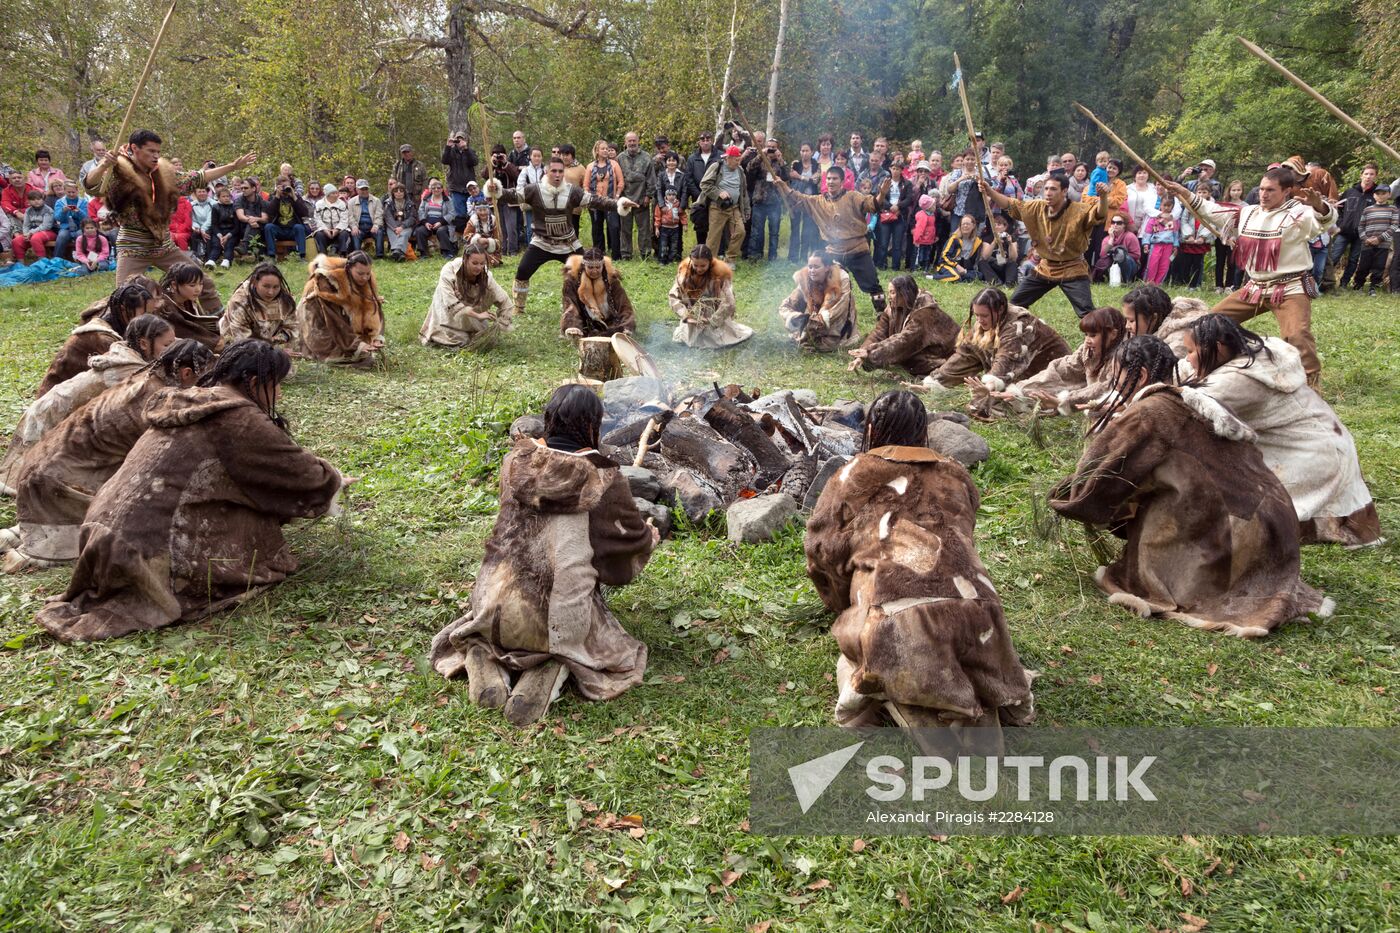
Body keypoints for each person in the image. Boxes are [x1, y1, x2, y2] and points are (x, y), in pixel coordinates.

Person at [34, 340, 346, 643]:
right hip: (142, 558)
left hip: (98, 540)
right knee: (255, 516)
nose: (278, 393)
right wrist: (335, 478)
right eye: (276, 384)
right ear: (253, 382)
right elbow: (305, 477)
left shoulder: (187, 401)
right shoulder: (238, 418)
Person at [1050, 335, 1330, 638]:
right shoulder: (1197, 399)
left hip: (1238, 532)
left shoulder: (1147, 413)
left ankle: (1198, 578)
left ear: (1140, 376)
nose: (1112, 385)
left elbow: (1099, 475)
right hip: (1280, 525)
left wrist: (1066, 497)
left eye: (1115, 377)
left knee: (1151, 533)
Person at [804, 389, 1035, 731]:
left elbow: (822, 554)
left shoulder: (850, 475)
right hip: (983, 616)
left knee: (869, 649)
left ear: (871, 431)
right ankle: (977, 688)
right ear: (923, 433)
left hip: (894, 621)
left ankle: (897, 694)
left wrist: (842, 604)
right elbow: (964, 536)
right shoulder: (956, 473)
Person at [429, 384, 657, 725]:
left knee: (504, 611)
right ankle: (554, 663)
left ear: (549, 420)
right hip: (557, 620)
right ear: (593, 426)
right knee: (594, 638)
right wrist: (648, 539)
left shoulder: (513, 462)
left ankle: (482, 652)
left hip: (490, 606)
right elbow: (621, 556)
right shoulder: (605, 478)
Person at [0, 339, 214, 573]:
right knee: (112, 529)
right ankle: (29, 554)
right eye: (204, 378)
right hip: (60, 481)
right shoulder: (158, 400)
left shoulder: (144, 379)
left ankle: (21, 537)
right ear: (186, 373)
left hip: (42, 468)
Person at [1183, 315, 1380, 547]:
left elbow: (1182, 407)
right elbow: (1185, 372)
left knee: (1261, 519)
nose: (1187, 359)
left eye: (1191, 352)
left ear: (1217, 348)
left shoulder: (1239, 381)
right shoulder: (1253, 354)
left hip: (1315, 456)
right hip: (1323, 443)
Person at [1161, 168, 1335, 387]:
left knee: (1297, 335)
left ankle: (1310, 385)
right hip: (1255, 287)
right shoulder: (1248, 213)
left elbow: (1324, 221)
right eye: (1262, 189)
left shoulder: (1299, 213)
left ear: (1287, 191)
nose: (1264, 194)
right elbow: (1212, 211)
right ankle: (1218, 366)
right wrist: (1185, 193)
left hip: (1289, 288)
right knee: (1210, 324)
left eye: (1271, 190)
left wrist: (1318, 205)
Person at [0, 315, 175, 495]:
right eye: (167, 346)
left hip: (56, 407)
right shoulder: (130, 371)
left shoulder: (125, 354)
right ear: (144, 344)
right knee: (39, 473)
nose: (172, 350)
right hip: (50, 414)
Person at [484, 156, 638, 317]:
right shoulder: (534, 190)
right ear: (546, 171)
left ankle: (597, 305)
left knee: (589, 272)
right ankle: (519, 308)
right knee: (522, 271)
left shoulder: (573, 192)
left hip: (568, 243)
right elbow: (512, 195)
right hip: (541, 243)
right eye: (554, 171)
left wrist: (619, 204)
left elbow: (596, 201)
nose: (557, 175)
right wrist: (496, 189)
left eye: (560, 171)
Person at [978, 171, 1105, 319]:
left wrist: (1103, 197)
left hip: (1073, 268)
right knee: (1014, 305)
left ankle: (1101, 339)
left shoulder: (1079, 210)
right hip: (1046, 268)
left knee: (1087, 313)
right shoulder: (1036, 207)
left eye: (1053, 189)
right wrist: (989, 191)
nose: (1048, 193)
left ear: (1064, 191)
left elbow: (1099, 214)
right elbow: (1010, 204)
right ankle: (1011, 333)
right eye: (1046, 189)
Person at [769, 159, 889, 314]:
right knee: (823, 282)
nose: (831, 182)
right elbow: (797, 197)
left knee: (873, 285)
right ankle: (819, 314)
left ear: (842, 181)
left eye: (835, 179)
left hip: (857, 249)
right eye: (829, 179)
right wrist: (783, 186)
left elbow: (873, 205)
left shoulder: (853, 196)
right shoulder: (818, 201)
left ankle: (883, 316)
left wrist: (882, 194)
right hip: (834, 251)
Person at [923, 287, 1070, 404]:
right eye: (977, 315)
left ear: (999, 310)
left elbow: (1006, 359)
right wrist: (935, 382)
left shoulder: (1019, 325)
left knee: (997, 404)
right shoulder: (984, 323)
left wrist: (989, 387)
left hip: (1051, 371)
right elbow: (966, 355)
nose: (979, 320)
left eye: (984, 316)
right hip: (1020, 370)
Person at [989, 306, 1125, 417]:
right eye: (1086, 335)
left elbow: (1102, 388)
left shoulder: (1121, 359)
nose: (1087, 340)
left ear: (1113, 334)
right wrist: (1021, 390)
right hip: (1086, 390)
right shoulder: (1087, 350)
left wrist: (1065, 401)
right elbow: (1060, 369)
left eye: (1093, 335)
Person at [34, 281, 156, 398]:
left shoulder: (117, 322)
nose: (148, 319)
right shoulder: (100, 337)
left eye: (151, 314)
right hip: (59, 400)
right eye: (144, 314)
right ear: (124, 309)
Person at [847, 275, 959, 379]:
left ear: (905, 294)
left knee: (910, 360)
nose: (889, 297)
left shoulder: (924, 312)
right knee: (899, 357)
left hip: (942, 351)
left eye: (893, 293)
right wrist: (862, 354)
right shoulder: (894, 306)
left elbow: (905, 340)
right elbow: (879, 332)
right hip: (914, 345)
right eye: (889, 293)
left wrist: (871, 353)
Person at [296, 252, 386, 366]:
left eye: (368, 273)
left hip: (340, 325)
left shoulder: (366, 279)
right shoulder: (327, 281)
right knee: (350, 356)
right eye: (360, 273)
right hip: (316, 318)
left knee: (367, 356)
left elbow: (374, 308)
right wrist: (357, 345)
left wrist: (376, 337)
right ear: (348, 269)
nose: (365, 277)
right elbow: (334, 320)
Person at [420, 243, 513, 350]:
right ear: (465, 259)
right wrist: (478, 316)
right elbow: (450, 303)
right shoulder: (449, 271)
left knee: (477, 339)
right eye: (474, 263)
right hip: (448, 314)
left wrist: (501, 323)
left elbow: (504, 300)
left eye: (482, 263)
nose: (479, 267)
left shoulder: (485, 275)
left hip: (471, 316)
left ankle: (471, 329)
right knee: (459, 340)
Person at [668, 244, 753, 348]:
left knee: (717, 339)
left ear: (710, 262)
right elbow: (673, 297)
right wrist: (686, 315)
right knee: (690, 338)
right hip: (694, 314)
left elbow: (729, 302)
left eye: (703, 266)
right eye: (696, 265)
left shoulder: (720, 275)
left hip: (714, 314)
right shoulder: (685, 274)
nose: (699, 269)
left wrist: (712, 321)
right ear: (691, 261)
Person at [777, 251, 858, 351]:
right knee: (788, 309)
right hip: (815, 320)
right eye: (810, 267)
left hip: (839, 319)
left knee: (827, 343)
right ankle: (810, 331)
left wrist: (818, 320)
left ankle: (821, 335)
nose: (812, 270)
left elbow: (841, 306)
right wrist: (795, 317)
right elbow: (787, 305)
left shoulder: (841, 278)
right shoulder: (805, 278)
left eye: (816, 267)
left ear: (827, 267)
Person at [560, 248, 635, 339]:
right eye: (590, 267)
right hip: (585, 322)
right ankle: (575, 328)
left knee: (619, 327)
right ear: (584, 266)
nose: (595, 271)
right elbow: (570, 304)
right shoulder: (572, 281)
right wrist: (572, 325)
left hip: (609, 320)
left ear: (603, 266)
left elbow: (624, 305)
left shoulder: (612, 280)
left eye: (598, 267)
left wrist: (627, 326)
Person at [221, 262, 300, 347]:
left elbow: (293, 328)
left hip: (271, 343)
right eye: (266, 286)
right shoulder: (240, 302)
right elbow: (241, 339)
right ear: (255, 283)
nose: (271, 292)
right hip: (237, 344)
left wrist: (279, 340)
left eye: (276, 287)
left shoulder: (285, 300)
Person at [1120, 283, 1210, 357]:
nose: (1127, 326)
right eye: (1126, 320)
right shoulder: (1139, 333)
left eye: (1131, 321)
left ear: (1153, 318)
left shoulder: (1178, 342)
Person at [1332, 162, 1379, 289]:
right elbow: (1338, 209)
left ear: (1375, 176)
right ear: (1361, 175)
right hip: (1344, 231)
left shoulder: (1376, 195)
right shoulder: (1349, 192)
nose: (1368, 177)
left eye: (1371, 174)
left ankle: (1343, 284)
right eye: (1366, 174)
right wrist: (1340, 224)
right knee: (1334, 257)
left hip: (1362, 234)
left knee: (1353, 260)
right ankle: (1326, 282)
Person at [155, 262, 223, 349]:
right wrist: (213, 342)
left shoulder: (189, 301)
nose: (198, 289)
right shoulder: (165, 307)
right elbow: (185, 333)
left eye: (201, 284)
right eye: (192, 285)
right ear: (174, 285)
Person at [699, 145, 749, 259]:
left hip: (734, 207)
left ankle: (730, 258)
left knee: (740, 232)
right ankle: (709, 262)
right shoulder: (717, 167)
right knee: (714, 237)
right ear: (729, 158)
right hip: (718, 207)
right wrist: (718, 193)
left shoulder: (740, 170)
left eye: (739, 159)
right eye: (736, 160)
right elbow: (704, 184)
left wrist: (746, 209)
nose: (738, 162)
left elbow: (744, 191)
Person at [742, 132, 784, 262]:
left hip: (775, 202)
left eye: (774, 147)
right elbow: (749, 168)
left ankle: (772, 257)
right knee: (756, 231)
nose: (771, 149)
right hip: (759, 200)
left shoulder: (779, 161)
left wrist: (780, 160)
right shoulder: (760, 159)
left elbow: (787, 176)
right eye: (769, 146)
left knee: (774, 232)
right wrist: (762, 154)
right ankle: (755, 256)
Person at [616, 132, 655, 260]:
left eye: (634, 140)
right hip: (625, 200)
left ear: (638, 141)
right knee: (625, 229)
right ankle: (626, 254)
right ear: (625, 142)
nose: (632, 143)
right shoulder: (620, 158)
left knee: (644, 229)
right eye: (629, 141)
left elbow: (651, 178)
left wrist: (648, 196)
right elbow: (617, 179)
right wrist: (620, 198)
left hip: (641, 198)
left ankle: (646, 254)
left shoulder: (646, 157)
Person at [1351, 184, 1396, 295]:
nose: (1380, 196)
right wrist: (1365, 239)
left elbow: (1394, 226)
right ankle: (1358, 285)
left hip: (1383, 244)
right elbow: (1361, 226)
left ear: (1389, 195)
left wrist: (1379, 239)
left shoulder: (1393, 209)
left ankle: (1373, 287)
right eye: (1378, 193)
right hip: (1367, 243)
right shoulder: (1367, 209)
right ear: (1374, 195)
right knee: (1363, 266)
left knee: (1379, 266)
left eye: (1383, 193)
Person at [686, 131, 721, 247]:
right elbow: (689, 178)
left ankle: (716, 252)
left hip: (716, 197)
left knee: (716, 225)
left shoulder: (720, 156)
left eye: (708, 139)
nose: (705, 142)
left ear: (711, 140)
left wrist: (714, 193)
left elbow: (723, 176)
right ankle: (700, 251)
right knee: (700, 226)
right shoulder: (692, 158)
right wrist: (698, 194)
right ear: (699, 142)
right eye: (702, 140)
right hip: (698, 198)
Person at [265, 180, 311, 260]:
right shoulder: (273, 197)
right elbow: (269, 212)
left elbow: (304, 213)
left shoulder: (295, 197)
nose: (284, 189)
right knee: (268, 227)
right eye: (282, 187)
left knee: (299, 227)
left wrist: (294, 197)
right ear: (277, 187)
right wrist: (277, 197)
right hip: (279, 229)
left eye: (286, 186)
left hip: (292, 229)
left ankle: (302, 256)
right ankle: (271, 256)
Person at [1214, 179, 1245, 291]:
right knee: (1220, 261)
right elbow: (1218, 221)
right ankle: (1218, 285)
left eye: (1238, 190)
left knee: (1231, 262)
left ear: (1242, 191)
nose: (1236, 192)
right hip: (1221, 237)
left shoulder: (1245, 206)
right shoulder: (1223, 205)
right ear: (1229, 191)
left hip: (1235, 239)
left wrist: (1234, 237)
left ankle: (1229, 285)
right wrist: (1224, 237)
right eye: (1233, 190)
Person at [930, 214, 982, 282]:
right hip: (947, 265)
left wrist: (964, 271)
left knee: (979, 275)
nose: (965, 226)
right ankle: (931, 277)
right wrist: (957, 266)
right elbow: (944, 257)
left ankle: (956, 277)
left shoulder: (977, 241)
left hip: (963, 268)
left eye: (968, 224)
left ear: (973, 226)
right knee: (956, 277)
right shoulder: (954, 239)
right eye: (963, 224)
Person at [1140, 194, 1179, 285]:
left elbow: (1176, 234)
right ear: (1160, 205)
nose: (1166, 208)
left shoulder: (1174, 220)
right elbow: (1148, 232)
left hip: (1168, 246)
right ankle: (1149, 282)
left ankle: (1158, 283)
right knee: (1152, 264)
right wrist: (1146, 244)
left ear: (1172, 206)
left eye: (1169, 205)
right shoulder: (1154, 218)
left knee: (1164, 266)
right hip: (1156, 245)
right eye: (1164, 205)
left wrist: (1176, 246)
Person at [441, 131, 479, 220]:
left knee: (472, 213)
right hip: (456, 188)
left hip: (470, 189)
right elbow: (444, 161)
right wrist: (448, 146)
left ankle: (471, 232)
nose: (459, 142)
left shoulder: (470, 151)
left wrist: (466, 149)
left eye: (462, 139)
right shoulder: (451, 151)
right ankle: (462, 233)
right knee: (459, 215)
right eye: (457, 140)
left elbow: (474, 162)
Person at [1093, 212, 1140, 283]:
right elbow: (1102, 255)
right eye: (1113, 222)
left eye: (1119, 223)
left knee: (1121, 254)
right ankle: (1105, 280)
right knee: (1104, 260)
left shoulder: (1130, 236)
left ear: (1124, 225)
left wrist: (1119, 255)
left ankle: (1126, 281)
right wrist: (1111, 239)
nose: (1115, 225)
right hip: (1113, 264)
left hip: (1130, 264)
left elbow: (1137, 255)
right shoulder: (1107, 238)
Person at [11, 189, 55, 262]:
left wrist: (30, 233)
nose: (36, 201)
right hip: (31, 233)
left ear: (43, 199)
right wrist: (25, 234)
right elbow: (26, 225)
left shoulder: (48, 210)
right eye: (33, 199)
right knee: (16, 241)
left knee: (35, 238)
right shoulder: (28, 211)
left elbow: (46, 226)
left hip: (48, 232)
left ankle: (42, 262)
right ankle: (21, 265)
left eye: (38, 199)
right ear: (29, 201)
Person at [976, 214, 1020, 286]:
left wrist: (1010, 244)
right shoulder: (988, 238)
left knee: (1013, 264)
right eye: (994, 224)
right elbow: (985, 257)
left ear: (1005, 226)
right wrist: (994, 242)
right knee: (982, 263)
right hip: (993, 267)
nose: (996, 227)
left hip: (1005, 267)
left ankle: (1009, 283)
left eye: (999, 224)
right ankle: (995, 282)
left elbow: (1013, 258)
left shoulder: (1010, 238)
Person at [235, 177, 272, 259]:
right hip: (242, 228)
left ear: (254, 188)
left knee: (255, 225)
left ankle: (244, 247)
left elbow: (265, 218)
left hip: (260, 228)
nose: (243, 190)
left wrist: (256, 219)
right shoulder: (239, 200)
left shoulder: (263, 202)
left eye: (246, 188)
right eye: (242, 188)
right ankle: (259, 254)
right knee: (252, 225)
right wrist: (250, 220)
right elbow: (240, 216)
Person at [515, 148, 546, 246]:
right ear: (530, 157)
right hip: (530, 203)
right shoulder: (525, 171)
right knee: (530, 228)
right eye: (534, 156)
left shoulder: (546, 170)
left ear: (542, 157)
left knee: (543, 226)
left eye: (539, 156)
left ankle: (544, 248)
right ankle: (531, 248)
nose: (536, 158)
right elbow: (519, 186)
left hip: (544, 203)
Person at [313, 181, 353, 256]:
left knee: (344, 233)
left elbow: (344, 219)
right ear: (328, 195)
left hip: (339, 230)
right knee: (318, 234)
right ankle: (323, 255)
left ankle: (343, 254)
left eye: (336, 193)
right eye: (333, 193)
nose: (336, 195)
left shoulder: (342, 204)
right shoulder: (319, 204)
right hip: (325, 230)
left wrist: (337, 229)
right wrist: (325, 230)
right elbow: (317, 220)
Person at [381, 181, 417, 261]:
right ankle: (399, 253)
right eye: (396, 191)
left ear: (404, 192)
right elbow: (387, 217)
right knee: (393, 234)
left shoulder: (410, 203)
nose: (399, 193)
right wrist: (395, 228)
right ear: (393, 193)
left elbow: (412, 218)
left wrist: (402, 226)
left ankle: (396, 251)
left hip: (406, 226)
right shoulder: (388, 203)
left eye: (401, 191)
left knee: (404, 234)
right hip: (392, 226)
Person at [653, 187, 687, 264]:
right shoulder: (661, 205)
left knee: (674, 245)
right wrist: (657, 228)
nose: (671, 196)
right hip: (664, 228)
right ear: (666, 195)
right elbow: (657, 217)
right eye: (669, 195)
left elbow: (682, 215)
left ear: (676, 196)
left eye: (673, 195)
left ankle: (671, 259)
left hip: (675, 228)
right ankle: (662, 260)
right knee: (663, 245)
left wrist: (685, 224)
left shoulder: (678, 204)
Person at [209, 185, 240, 268]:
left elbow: (237, 226)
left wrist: (227, 236)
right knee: (216, 244)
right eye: (223, 196)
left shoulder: (234, 207)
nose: (226, 198)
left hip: (231, 232)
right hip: (219, 232)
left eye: (228, 196)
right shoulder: (215, 207)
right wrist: (220, 236)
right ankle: (211, 261)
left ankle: (226, 261)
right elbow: (214, 225)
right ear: (218, 197)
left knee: (229, 244)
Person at [189, 186, 213, 263]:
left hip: (210, 227)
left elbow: (210, 219)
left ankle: (208, 259)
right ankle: (195, 257)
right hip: (198, 227)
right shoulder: (191, 205)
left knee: (208, 235)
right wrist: (196, 227)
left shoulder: (213, 203)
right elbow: (192, 219)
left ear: (207, 193)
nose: (202, 193)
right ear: (195, 194)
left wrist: (203, 229)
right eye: (199, 192)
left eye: (204, 191)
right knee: (193, 235)